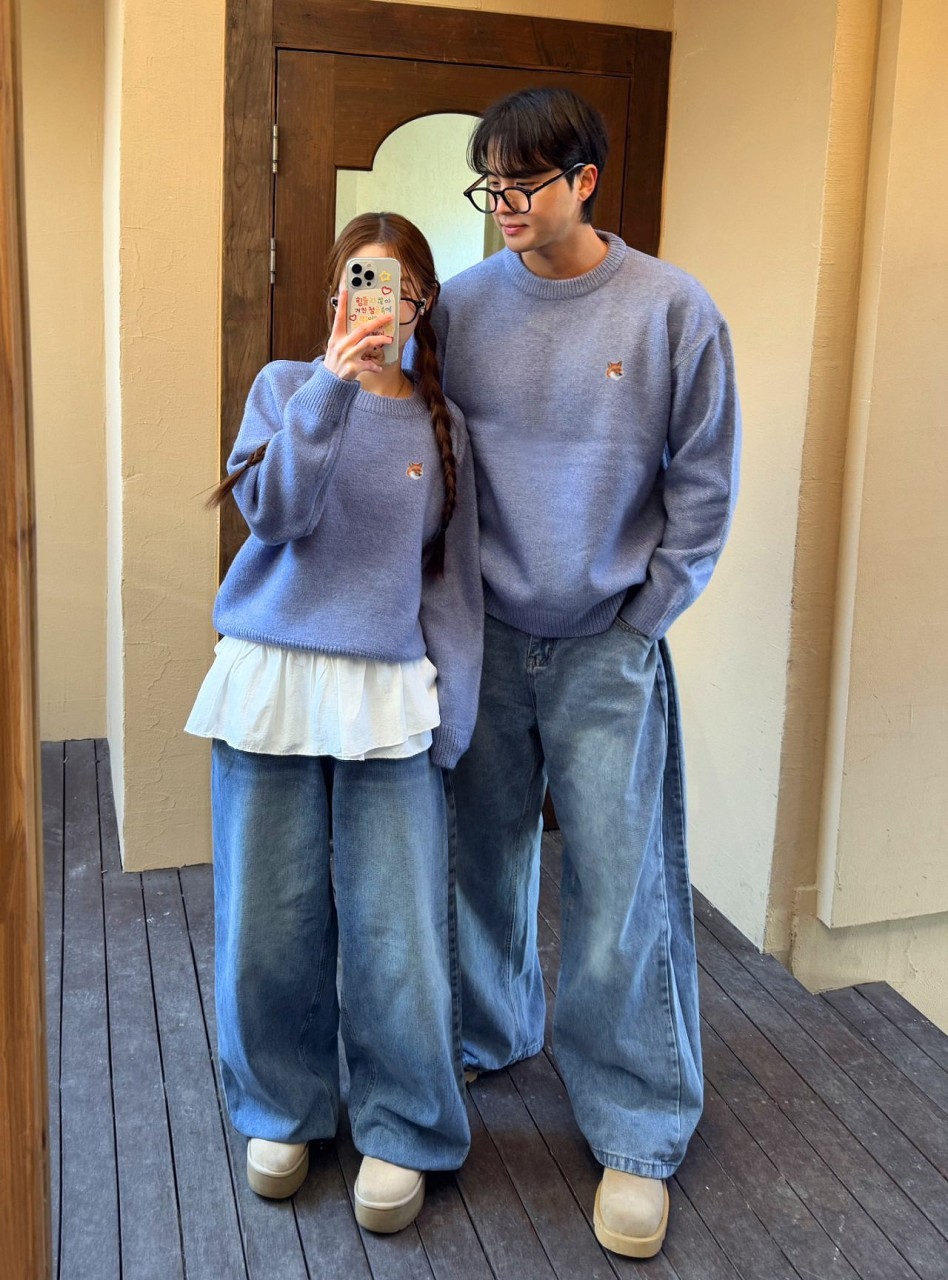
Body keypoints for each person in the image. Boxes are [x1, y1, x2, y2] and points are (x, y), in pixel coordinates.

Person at [430, 88, 741, 1259]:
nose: (505, 203)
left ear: (586, 180)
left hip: (608, 642)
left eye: (526, 182)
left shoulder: (672, 309)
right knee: (482, 857)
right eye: (491, 184)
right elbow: (421, 448)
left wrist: (644, 617)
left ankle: (638, 1124)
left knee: (620, 883)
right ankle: (491, 1030)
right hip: (489, 635)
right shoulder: (462, 307)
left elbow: (705, 482)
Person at [185, 213, 483, 1231]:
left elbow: (451, 586)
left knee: (399, 926)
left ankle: (403, 1122)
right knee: (269, 914)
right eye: (358, 282)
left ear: (421, 303)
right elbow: (274, 515)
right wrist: (330, 387)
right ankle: (282, 1105)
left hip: (386, 698)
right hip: (271, 682)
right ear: (336, 294)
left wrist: (454, 716)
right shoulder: (285, 388)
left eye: (393, 287)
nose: (374, 304)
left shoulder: (444, 428)